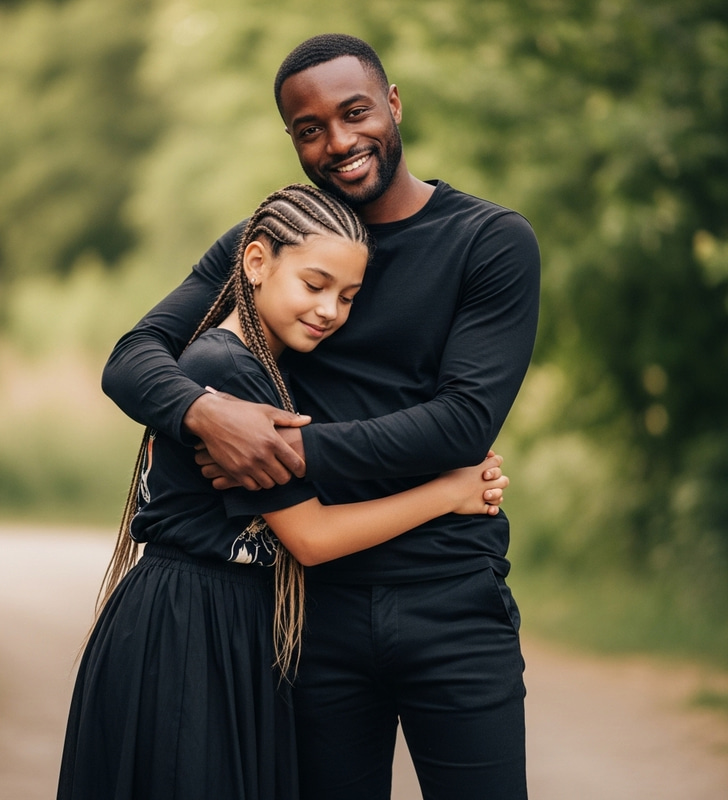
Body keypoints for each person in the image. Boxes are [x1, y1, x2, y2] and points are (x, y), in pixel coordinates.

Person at [102, 34, 541, 800]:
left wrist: (287, 453)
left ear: (394, 105)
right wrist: (208, 414)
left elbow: (463, 424)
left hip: (451, 599)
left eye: (355, 112)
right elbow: (134, 357)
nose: (339, 142)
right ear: (293, 140)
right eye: (310, 129)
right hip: (305, 614)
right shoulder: (272, 240)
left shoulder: (489, 243)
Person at [57, 183, 509, 800]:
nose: (330, 310)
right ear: (257, 263)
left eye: (348, 297)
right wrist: (450, 492)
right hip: (191, 627)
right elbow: (313, 538)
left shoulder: (261, 365)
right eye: (315, 285)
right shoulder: (228, 371)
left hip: (231, 625)